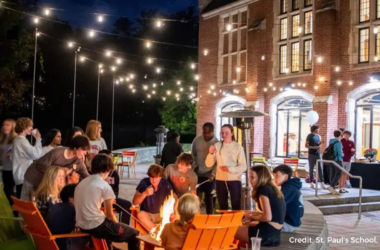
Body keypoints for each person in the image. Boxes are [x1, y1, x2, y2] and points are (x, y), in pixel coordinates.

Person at [74, 155, 140, 250]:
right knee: (135, 233)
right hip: (96, 226)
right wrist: (117, 226)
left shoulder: (82, 183)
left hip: (82, 224)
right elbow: (110, 215)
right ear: (109, 169)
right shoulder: (104, 186)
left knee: (108, 225)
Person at [22, 135, 90, 201]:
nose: (85, 153)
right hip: (33, 178)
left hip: (44, 186)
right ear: (75, 147)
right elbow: (41, 166)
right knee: (26, 206)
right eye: (84, 150)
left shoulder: (78, 163)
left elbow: (88, 178)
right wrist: (62, 170)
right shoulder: (57, 153)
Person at [235, 165, 286, 247]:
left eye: (252, 177)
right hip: (275, 234)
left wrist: (251, 217)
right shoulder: (272, 188)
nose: (250, 180)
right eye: (249, 177)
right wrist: (250, 214)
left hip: (266, 234)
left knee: (228, 231)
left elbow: (267, 217)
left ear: (261, 177)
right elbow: (267, 213)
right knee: (244, 226)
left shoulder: (263, 190)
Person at [206, 124, 247, 210]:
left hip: (234, 179)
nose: (224, 135)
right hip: (220, 179)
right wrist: (210, 153)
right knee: (222, 204)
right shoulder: (217, 145)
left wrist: (229, 169)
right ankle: (224, 222)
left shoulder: (238, 147)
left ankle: (235, 222)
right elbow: (208, 164)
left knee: (236, 204)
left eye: (226, 133)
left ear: (232, 133)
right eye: (222, 133)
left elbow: (243, 167)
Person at [44, 184, 88, 250]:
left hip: (51, 242)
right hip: (64, 245)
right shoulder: (73, 210)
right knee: (91, 233)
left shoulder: (56, 206)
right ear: (70, 198)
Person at [132, 164, 173, 231]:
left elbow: (174, 197)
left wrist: (174, 210)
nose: (154, 180)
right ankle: (157, 233)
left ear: (160, 177)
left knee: (176, 215)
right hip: (148, 214)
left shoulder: (165, 184)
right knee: (140, 215)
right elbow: (135, 202)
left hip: (162, 213)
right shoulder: (144, 182)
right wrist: (144, 194)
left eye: (156, 177)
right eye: (151, 177)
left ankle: (166, 234)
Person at [11, 117, 42, 198]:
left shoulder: (17, 140)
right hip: (23, 177)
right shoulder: (22, 141)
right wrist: (38, 139)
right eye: (30, 126)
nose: (32, 128)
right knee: (25, 203)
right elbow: (36, 154)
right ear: (24, 127)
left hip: (19, 176)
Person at [99, 149, 132, 225]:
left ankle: (124, 228)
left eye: (112, 158)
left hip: (111, 199)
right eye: (109, 158)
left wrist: (113, 198)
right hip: (98, 200)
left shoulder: (114, 173)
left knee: (127, 205)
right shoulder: (94, 172)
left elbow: (116, 190)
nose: (112, 160)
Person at [191, 122, 218, 214]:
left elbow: (218, 161)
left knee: (209, 197)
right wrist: (194, 166)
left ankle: (209, 217)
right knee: (196, 196)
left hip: (209, 174)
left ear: (213, 131)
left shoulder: (217, 143)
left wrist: (213, 174)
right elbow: (193, 155)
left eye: (208, 133)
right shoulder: (196, 140)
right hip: (198, 173)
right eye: (204, 132)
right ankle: (196, 216)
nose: (206, 135)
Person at [273, 164, 304, 232]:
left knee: (260, 225)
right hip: (293, 222)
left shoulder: (288, 188)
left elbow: (276, 204)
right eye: (274, 176)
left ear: (286, 177)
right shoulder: (290, 186)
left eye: (277, 176)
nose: (274, 179)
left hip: (288, 223)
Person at [0, 119, 17, 205]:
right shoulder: (2, 139)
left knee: (9, 191)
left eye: (7, 125)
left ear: (13, 127)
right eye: (4, 125)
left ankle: (13, 212)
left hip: (13, 169)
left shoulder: (15, 139)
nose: (5, 127)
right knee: (6, 190)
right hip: (5, 169)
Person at [327, 130, 344, 195]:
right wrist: (343, 154)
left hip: (331, 159)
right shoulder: (339, 143)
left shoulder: (331, 141)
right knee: (339, 172)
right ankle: (332, 186)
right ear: (340, 135)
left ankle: (332, 187)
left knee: (332, 172)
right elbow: (340, 153)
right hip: (337, 160)